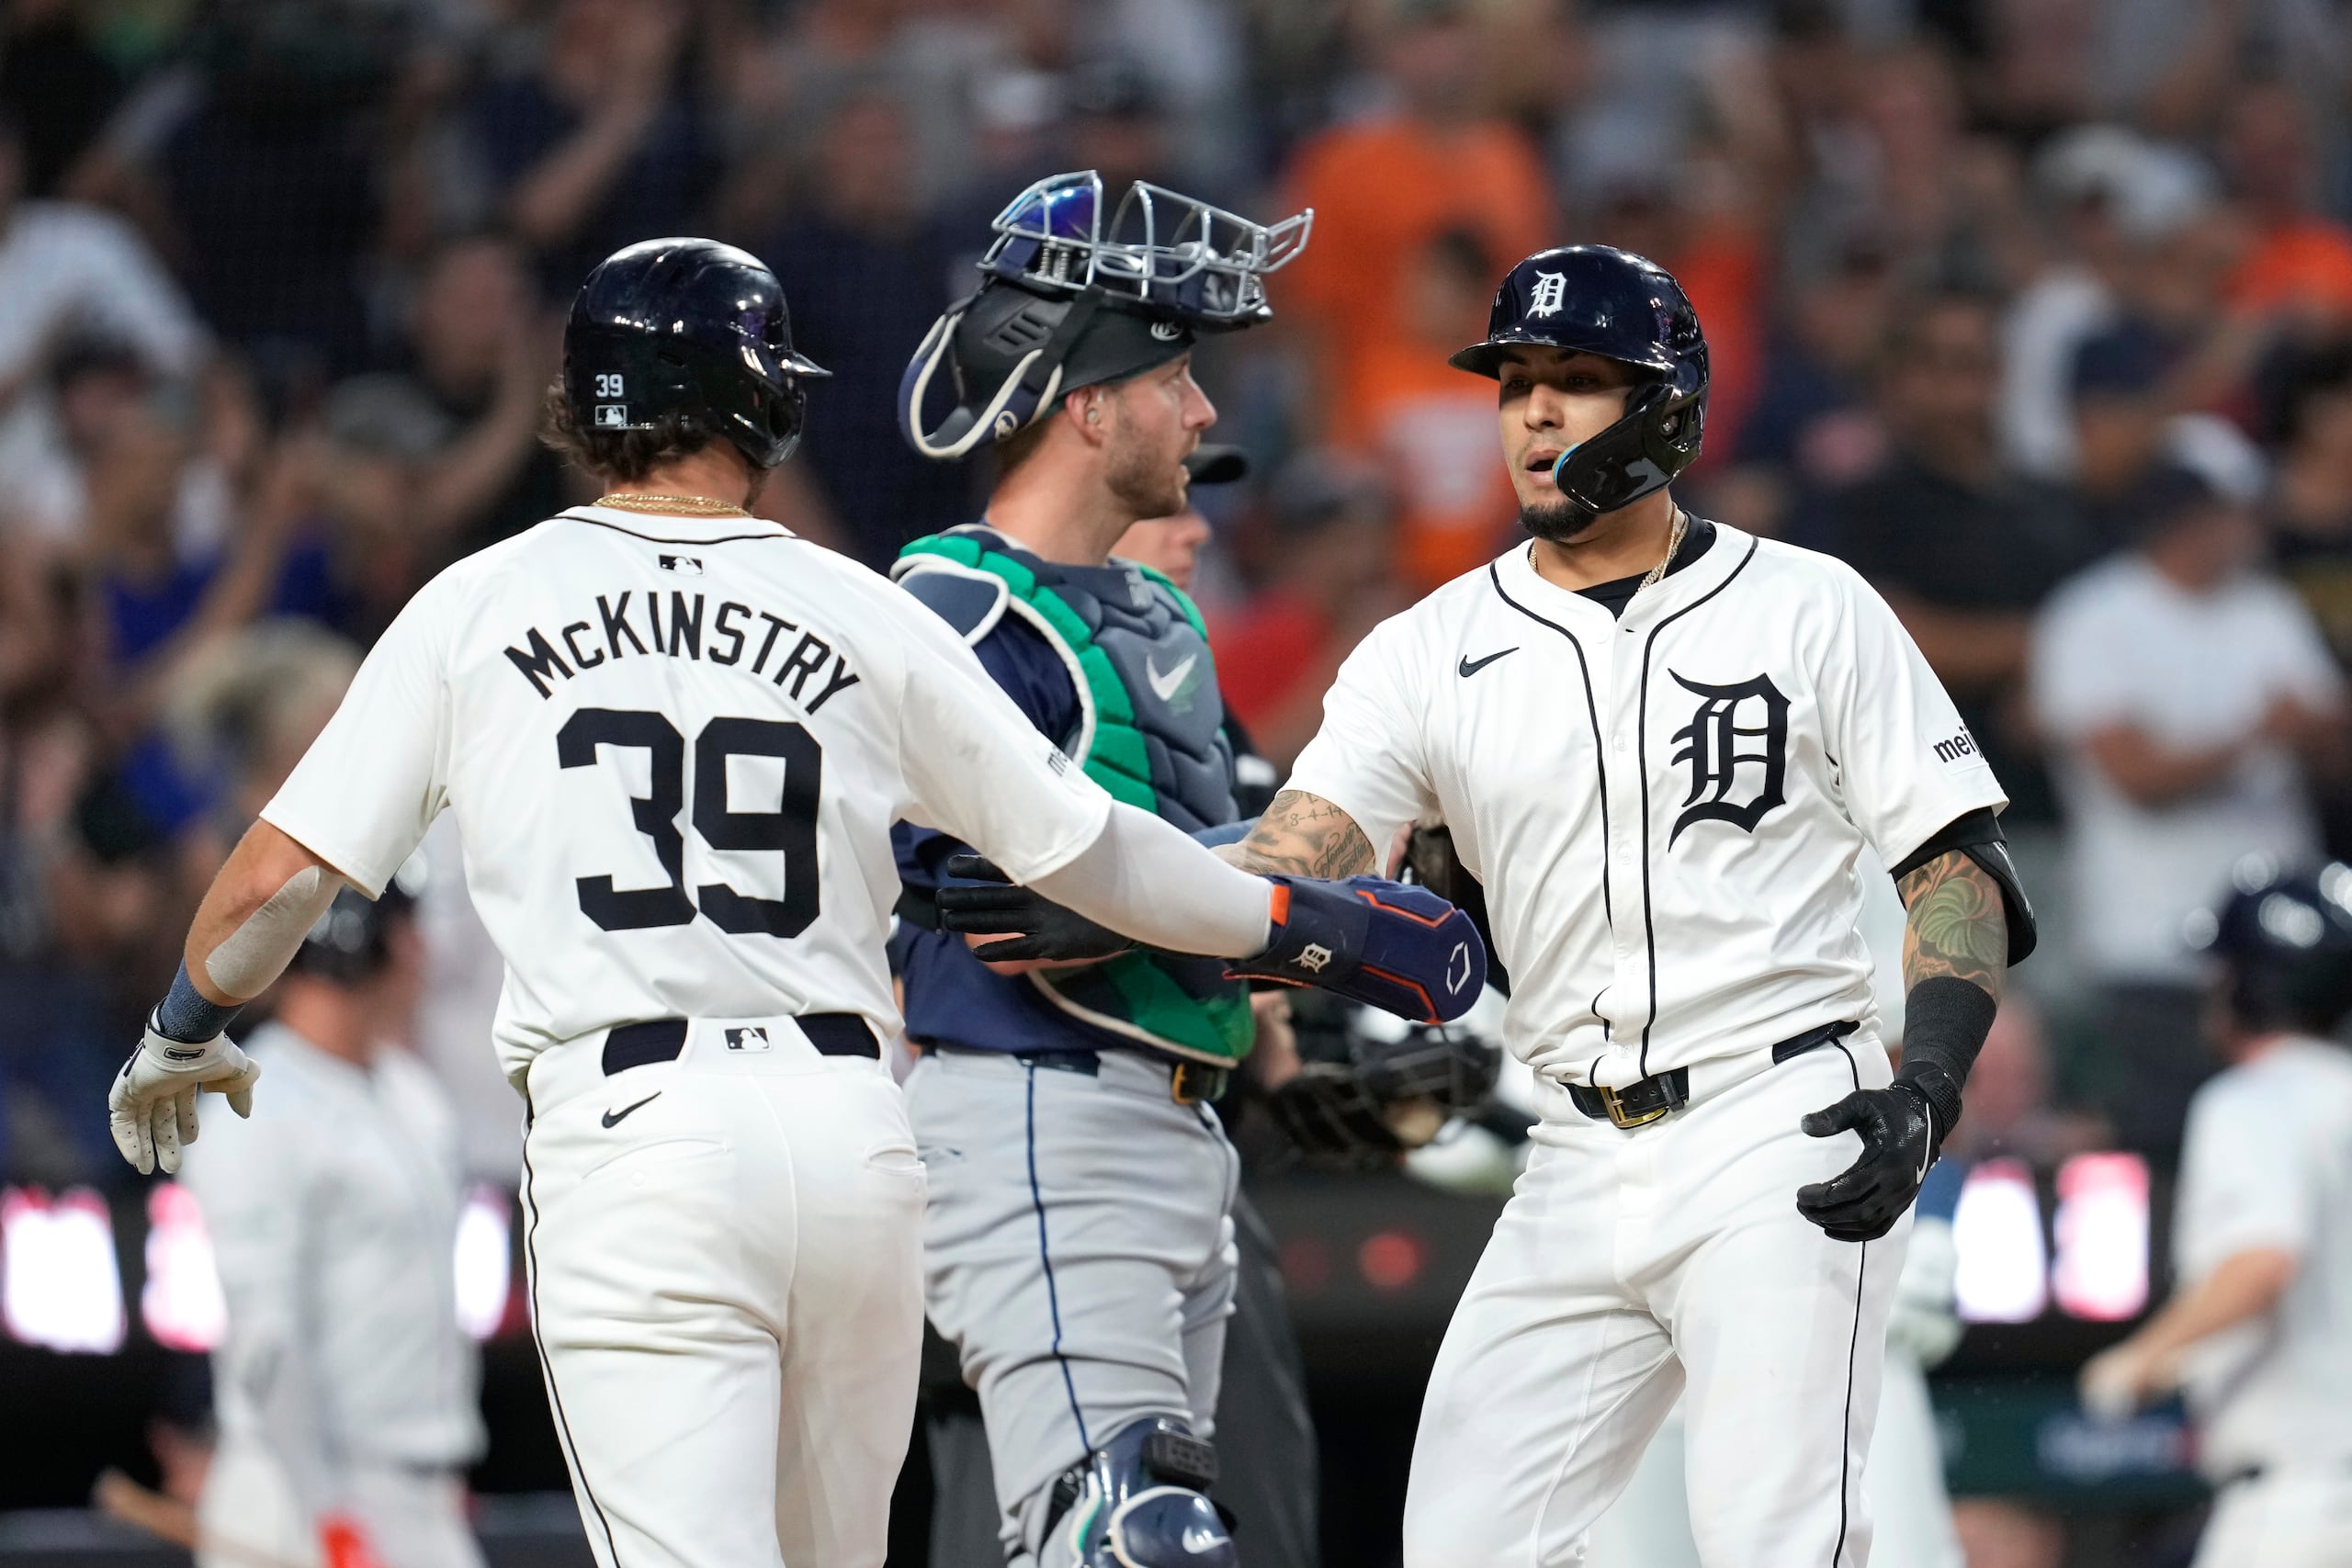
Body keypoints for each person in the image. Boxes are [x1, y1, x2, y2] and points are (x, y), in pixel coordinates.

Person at [102, 235, 1478, 1568]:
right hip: (850, 1135)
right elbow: (1093, 851)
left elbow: (280, 877)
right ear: (764, 403)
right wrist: (1319, 928)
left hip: (636, 1135)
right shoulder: (860, 603)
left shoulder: (479, 600)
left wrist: (181, 1031)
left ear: (581, 409)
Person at [1172, 244, 2034, 1566]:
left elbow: (1954, 868)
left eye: (1574, 377)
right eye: (1513, 380)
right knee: (1462, 1544)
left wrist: (1925, 1088)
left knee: (1777, 1540)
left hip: (1776, 1114)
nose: (1533, 410)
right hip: (1572, 1147)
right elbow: (1291, 862)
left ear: (1666, 404)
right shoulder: (1426, 649)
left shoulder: (1812, 606)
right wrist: (1097, 884)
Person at [887, 170, 1317, 1568]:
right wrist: (1296, 904)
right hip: (1036, 1108)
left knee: (1115, 1533)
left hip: (1180, 1125)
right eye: (1173, 377)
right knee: (1126, 1538)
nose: (1201, 411)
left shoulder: (1159, 611)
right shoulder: (952, 603)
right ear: (1087, 405)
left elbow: (1202, 868)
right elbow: (985, 893)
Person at [2030, 450, 2345, 1154]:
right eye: (2231, 512)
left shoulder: (2267, 607)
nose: (2248, 526)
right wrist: (2257, 733)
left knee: (2295, 1143)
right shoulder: (2094, 615)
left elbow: (2330, 742)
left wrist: (2316, 732)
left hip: (2283, 946)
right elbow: (2134, 776)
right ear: (2184, 518)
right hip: (2153, 939)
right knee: (2162, 1146)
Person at [178, 879, 486, 1568]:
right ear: (349, 938)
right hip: (303, 1490)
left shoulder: (413, 1094)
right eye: (404, 931)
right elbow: (266, 1345)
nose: (421, 951)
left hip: (418, 1489)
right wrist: (327, 1515)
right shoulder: (254, 1110)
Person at [2079, 862, 2352, 1568]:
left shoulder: (2252, 1099)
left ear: (2244, 984)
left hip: (2301, 1500)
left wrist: (2140, 1358)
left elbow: (2264, 1256)